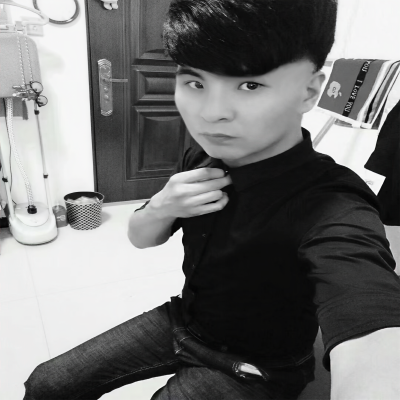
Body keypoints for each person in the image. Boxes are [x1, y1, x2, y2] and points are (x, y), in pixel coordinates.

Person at [24, 1, 400, 399]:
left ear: (308, 91)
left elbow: (369, 316)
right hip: (183, 321)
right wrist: (164, 205)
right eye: (195, 82)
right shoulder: (203, 158)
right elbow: (140, 237)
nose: (211, 113)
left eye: (250, 85)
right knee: (47, 383)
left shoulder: (334, 203)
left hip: (258, 366)